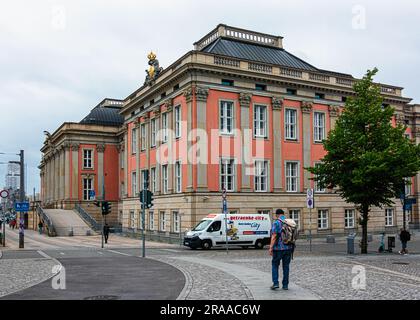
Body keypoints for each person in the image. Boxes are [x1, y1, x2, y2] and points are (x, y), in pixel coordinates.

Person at [269, 209, 293, 290]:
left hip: (278, 248)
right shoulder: (289, 222)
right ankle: (285, 285)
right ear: (283, 214)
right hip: (289, 248)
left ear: (277, 215)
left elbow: (274, 236)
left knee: (275, 265)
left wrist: (270, 248)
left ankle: (275, 283)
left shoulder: (276, 223)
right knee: (286, 266)